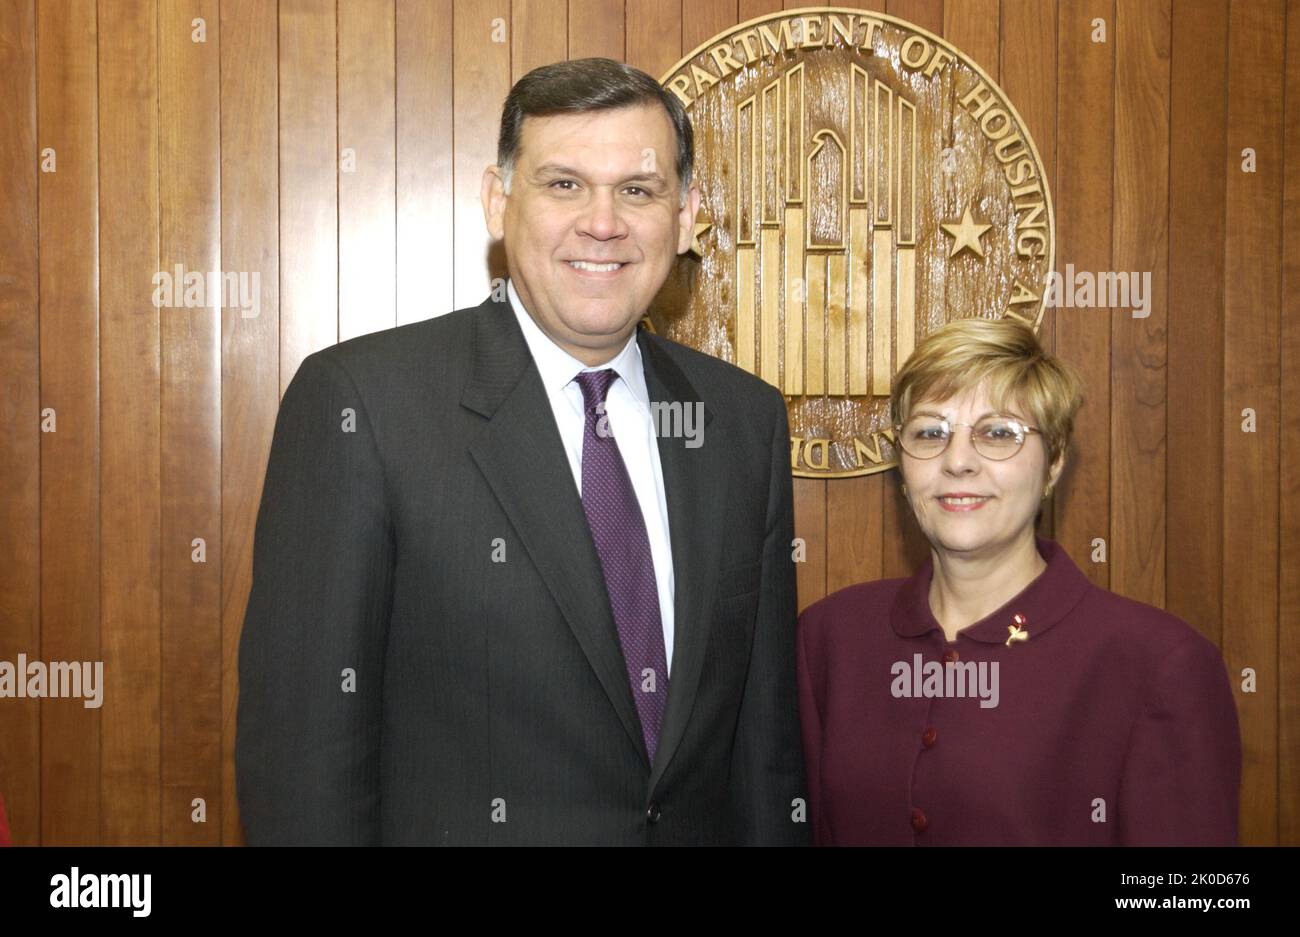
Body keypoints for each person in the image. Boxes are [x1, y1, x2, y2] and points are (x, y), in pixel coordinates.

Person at [236, 58, 808, 845]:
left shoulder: (742, 420)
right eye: (564, 184)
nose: (602, 222)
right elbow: (304, 764)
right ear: (499, 203)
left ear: (686, 217)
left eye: (637, 190)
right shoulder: (363, 406)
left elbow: (764, 755)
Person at [796, 316, 1241, 845]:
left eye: (998, 433)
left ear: (1053, 462)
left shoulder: (1158, 663)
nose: (958, 461)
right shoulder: (830, 637)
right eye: (930, 432)